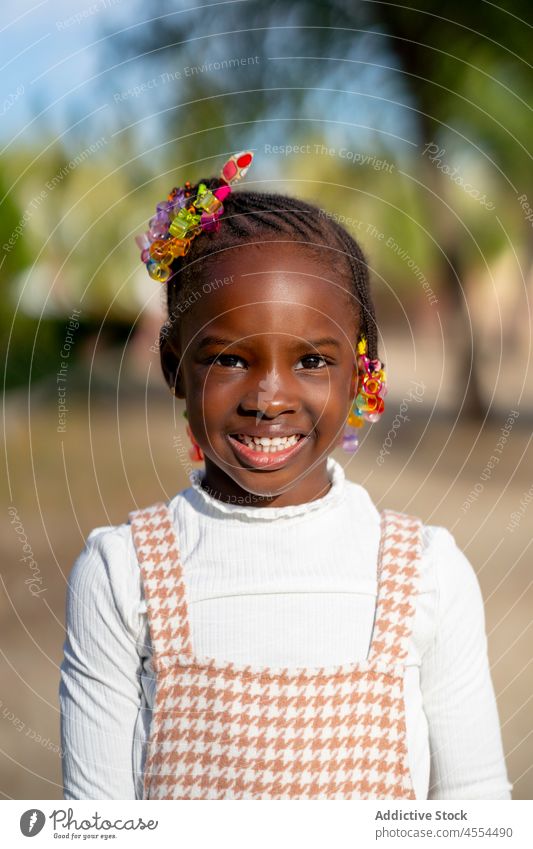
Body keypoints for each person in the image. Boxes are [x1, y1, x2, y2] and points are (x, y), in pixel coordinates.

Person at [59, 150, 512, 801]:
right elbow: (94, 826)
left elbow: (475, 808)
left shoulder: (425, 573)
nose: (268, 396)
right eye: (229, 358)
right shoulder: (120, 573)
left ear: (360, 374)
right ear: (173, 365)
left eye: (309, 360)